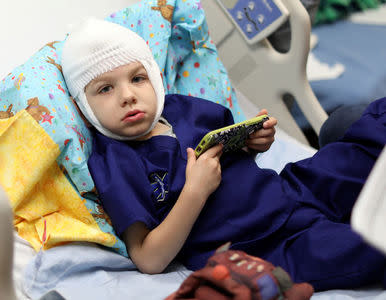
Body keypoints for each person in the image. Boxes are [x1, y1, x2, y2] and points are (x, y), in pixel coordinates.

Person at [61, 18, 386, 291]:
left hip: (293, 190)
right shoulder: (114, 163)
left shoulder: (185, 109)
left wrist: (255, 141)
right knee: (367, 247)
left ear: (154, 78)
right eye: (105, 89)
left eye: (137, 78)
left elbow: (234, 151)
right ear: (82, 105)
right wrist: (194, 192)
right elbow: (148, 258)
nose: (128, 96)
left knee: (367, 137)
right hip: (266, 248)